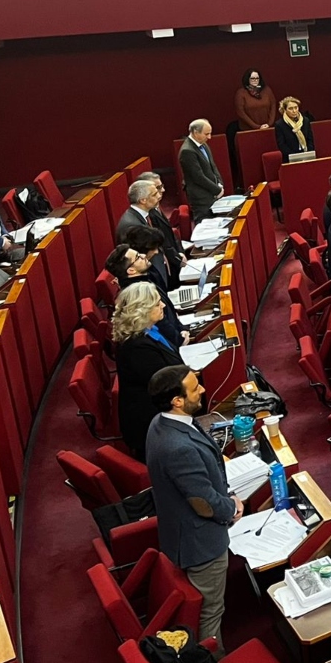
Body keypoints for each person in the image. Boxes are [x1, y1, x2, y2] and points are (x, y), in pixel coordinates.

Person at [144, 364, 241, 652]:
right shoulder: (178, 447)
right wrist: (232, 508)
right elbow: (203, 504)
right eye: (194, 387)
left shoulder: (161, 423)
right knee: (209, 613)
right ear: (176, 400)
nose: (202, 389)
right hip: (201, 545)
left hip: (182, 532)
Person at [113, 281, 184, 458]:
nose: (162, 305)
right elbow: (166, 383)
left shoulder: (151, 331)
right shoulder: (136, 348)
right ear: (142, 309)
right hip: (154, 426)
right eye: (157, 303)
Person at [105, 243, 185, 348]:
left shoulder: (148, 277)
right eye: (138, 257)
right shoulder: (138, 294)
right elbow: (160, 321)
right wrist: (180, 339)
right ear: (131, 270)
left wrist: (182, 329)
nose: (143, 255)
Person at [126, 174, 188, 282]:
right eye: (155, 192)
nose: (161, 193)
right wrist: (177, 258)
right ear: (143, 200)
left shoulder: (152, 209)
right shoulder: (134, 223)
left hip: (167, 266)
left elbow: (170, 232)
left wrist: (180, 253)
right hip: (158, 272)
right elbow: (157, 246)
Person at [179, 120, 224, 222]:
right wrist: (217, 190)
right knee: (205, 223)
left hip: (211, 192)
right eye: (206, 134)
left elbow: (212, 166)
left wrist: (219, 183)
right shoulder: (187, 151)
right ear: (195, 132)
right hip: (200, 197)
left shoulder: (203, 144)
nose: (209, 137)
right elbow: (197, 177)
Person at [274, 96, 315, 161]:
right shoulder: (280, 124)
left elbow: (310, 140)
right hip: (290, 158)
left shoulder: (305, 121)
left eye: (296, 108)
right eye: (290, 108)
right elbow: (282, 145)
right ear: (284, 110)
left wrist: (309, 153)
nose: (294, 111)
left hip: (307, 155)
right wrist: (295, 157)